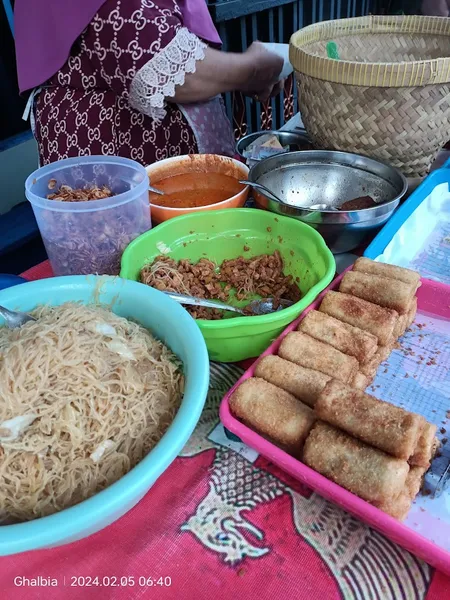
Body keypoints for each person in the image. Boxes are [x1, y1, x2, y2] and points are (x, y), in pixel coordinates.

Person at [14, 0, 284, 166]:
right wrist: (252, 68)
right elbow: (165, 70)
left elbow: (183, 58)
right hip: (116, 182)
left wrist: (240, 75)